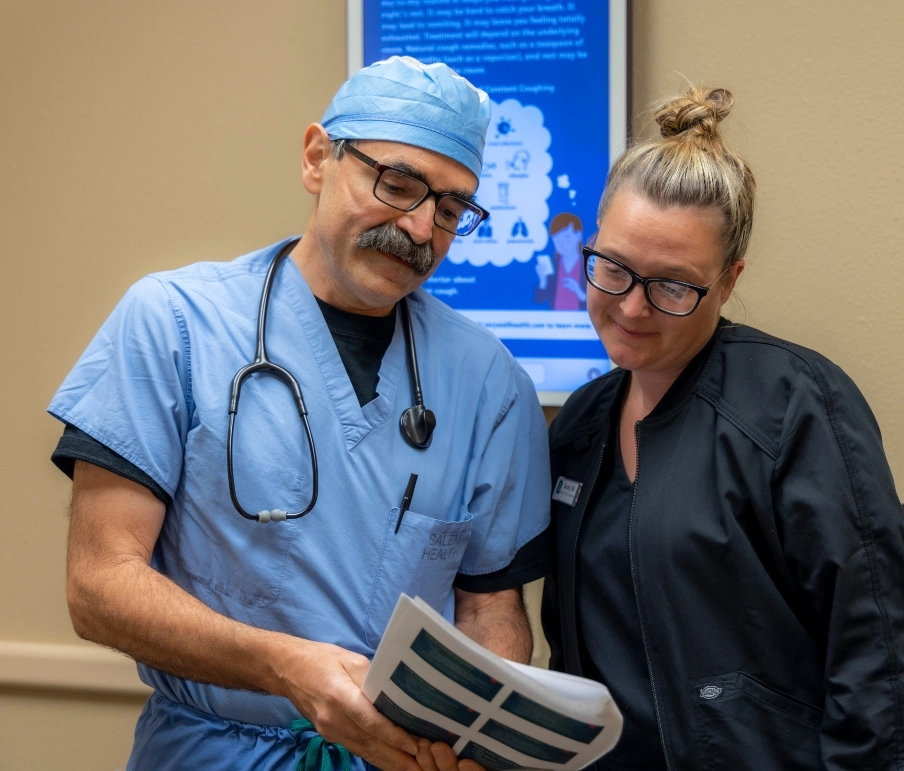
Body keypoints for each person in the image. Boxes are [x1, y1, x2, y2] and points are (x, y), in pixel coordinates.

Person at [48, 56, 552, 771]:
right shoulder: (173, 325)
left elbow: (490, 609)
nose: (418, 227)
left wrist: (472, 735)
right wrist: (283, 665)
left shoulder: (489, 382)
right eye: (397, 183)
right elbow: (97, 586)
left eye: (449, 209)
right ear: (318, 157)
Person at [540, 86, 904, 770]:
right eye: (614, 268)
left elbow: (881, 667)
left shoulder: (797, 406)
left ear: (730, 280)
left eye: (673, 286)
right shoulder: (581, 429)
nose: (631, 306)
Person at [534, 212, 587, 310]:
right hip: (554, 322)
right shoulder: (551, 265)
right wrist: (543, 280)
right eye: (557, 238)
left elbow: (598, 303)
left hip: (580, 323)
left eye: (567, 237)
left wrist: (578, 291)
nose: (562, 244)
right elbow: (538, 299)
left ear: (578, 235)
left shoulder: (589, 265)